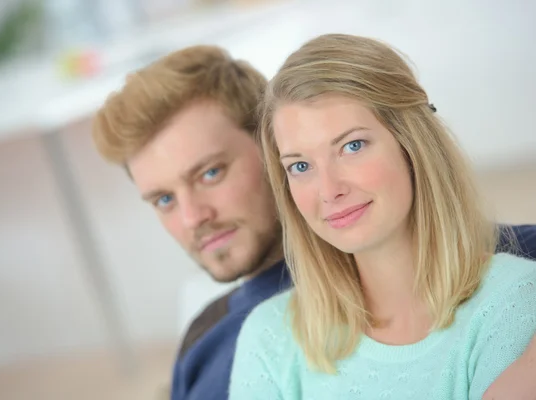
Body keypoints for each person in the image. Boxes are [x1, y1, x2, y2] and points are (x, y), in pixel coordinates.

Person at [91, 45, 536, 400]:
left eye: (211, 173)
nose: (193, 218)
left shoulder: (509, 276)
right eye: (164, 199)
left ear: (266, 154)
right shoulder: (229, 334)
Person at [229, 33, 536, 400]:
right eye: (300, 165)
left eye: (351, 146)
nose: (329, 190)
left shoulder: (512, 300)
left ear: (412, 144)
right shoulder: (270, 337)